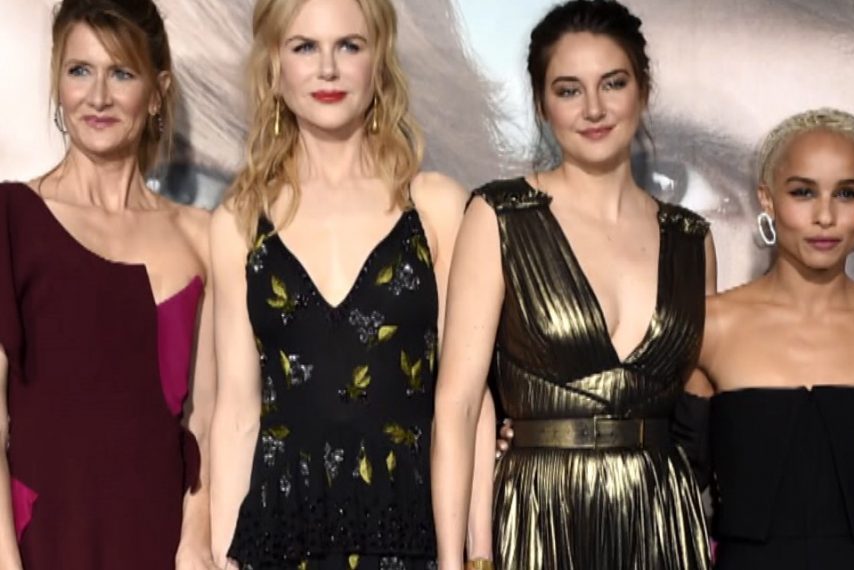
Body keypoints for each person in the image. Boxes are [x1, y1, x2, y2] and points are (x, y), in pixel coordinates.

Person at [207, 0, 493, 568]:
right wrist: (221, 555)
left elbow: (467, 403)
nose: (328, 69)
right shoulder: (238, 223)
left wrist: (476, 553)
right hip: (280, 541)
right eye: (304, 47)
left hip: (413, 541)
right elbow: (238, 411)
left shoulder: (436, 208)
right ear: (274, 65)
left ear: (379, 60)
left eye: (349, 46)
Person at [431, 1, 716, 569]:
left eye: (613, 83)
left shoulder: (692, 240)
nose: (594, 109)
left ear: (643, 90)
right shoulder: (500, 216)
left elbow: (701, 408)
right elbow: (457, 406)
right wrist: (453, 560)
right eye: (568, 90)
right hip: (539, 515)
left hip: (660, 520)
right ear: (541, 104)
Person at [0, 0, 215, 568]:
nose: (97, 97)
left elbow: (209, 420)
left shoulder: (203, 235)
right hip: (45, 544)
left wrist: (196, 541)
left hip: (162, 543)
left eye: (121, 73)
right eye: (80, 71)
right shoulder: (11, 219)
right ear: (58, 81)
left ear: (157, 91)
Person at [695, 109, 854, 568]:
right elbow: (672, 487)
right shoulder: (711, 328)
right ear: (768, 199)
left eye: (846, 193)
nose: (825, 216)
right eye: (803, 192)